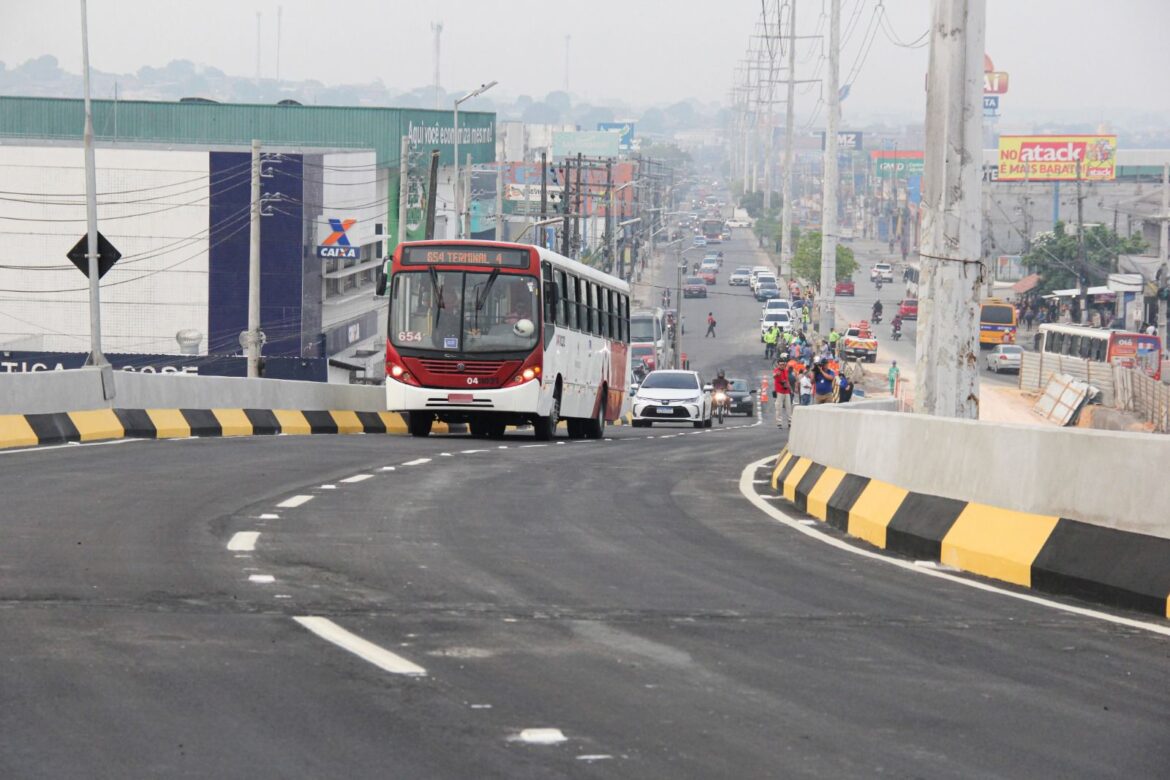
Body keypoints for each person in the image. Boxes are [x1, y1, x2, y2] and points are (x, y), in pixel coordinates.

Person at [773, 359, 793, 428]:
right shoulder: (776, 370)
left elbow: (787, 381)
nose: (782, 366)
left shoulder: (785, 371)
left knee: (789, 407)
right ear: (778, 365)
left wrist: (790, 389)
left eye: (783, 364)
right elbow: (774, 375)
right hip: (779, 391)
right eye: (780, 364)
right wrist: (776, 374)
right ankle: (779, 423)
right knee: (779, 407)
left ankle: (790, 422)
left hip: (786, 391)